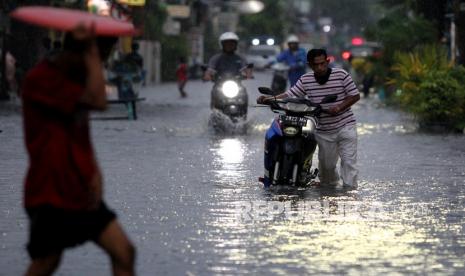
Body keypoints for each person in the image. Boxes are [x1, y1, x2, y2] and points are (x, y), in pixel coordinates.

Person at [21, 25, 135, 275]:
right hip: (50, 190)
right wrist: (92, 52)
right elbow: (99, 101)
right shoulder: (44, 78)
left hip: (80, 186)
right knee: (47, 261)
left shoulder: (73, 78)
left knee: (124, 251)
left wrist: (95, 172)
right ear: (88, 50)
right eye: (102, 53)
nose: (102, 62)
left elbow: (80, 134)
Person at [257, 49, 360, 189]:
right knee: (327, 167)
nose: (319, 67)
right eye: (315, 65)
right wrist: (270, 99)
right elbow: (291, 94)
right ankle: (331, 190)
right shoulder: (306, 79)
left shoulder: (341, 75)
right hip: (323, 130)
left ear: (327, 62)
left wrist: (339, 108)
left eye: (322, 64)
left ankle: (350, 193)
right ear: (309, 65)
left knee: (349, 163)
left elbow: (355, 95)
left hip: (345, 126)